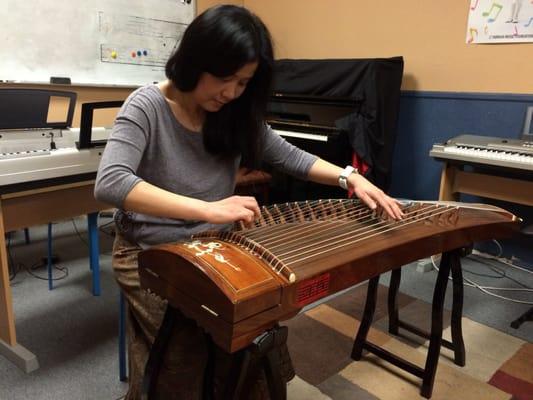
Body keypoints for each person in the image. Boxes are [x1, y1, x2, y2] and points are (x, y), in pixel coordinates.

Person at [94, 4, 403, 399]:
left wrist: (350, 177)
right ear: (194, 60)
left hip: (216, 247)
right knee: (182, 360)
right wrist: (209, 209)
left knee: (253, 343)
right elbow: (111, 182)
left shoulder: (233, 111)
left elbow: (288, 155)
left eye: (243, 82)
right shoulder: (146, 106)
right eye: (225, 79)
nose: (232, 92)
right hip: (152, 251)